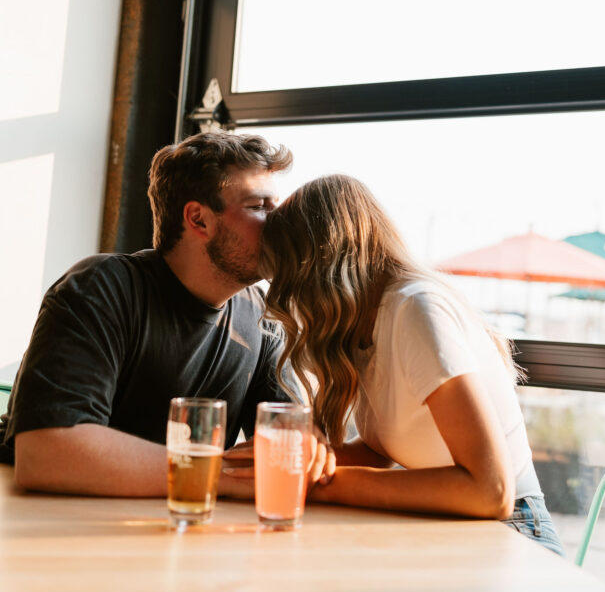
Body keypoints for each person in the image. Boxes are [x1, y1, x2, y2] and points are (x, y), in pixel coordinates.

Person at [0, 130, 333, 495]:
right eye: (259, 207)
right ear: (198, 219)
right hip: (46, 526)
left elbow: (294, 446)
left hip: (172, 526)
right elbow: (44, 454)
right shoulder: (101, 288)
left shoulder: (262, 318)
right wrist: (217, 473)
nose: (278, 224)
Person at [257, 173, 564, 555]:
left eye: (290, 277)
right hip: (454, 531)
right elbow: (379, 451)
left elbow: (492, 491)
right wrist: (286, 461)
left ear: (320, 266)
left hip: (512, 532)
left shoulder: (416, 309)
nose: (289, 297)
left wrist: (320, 484)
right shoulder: (366, 325)